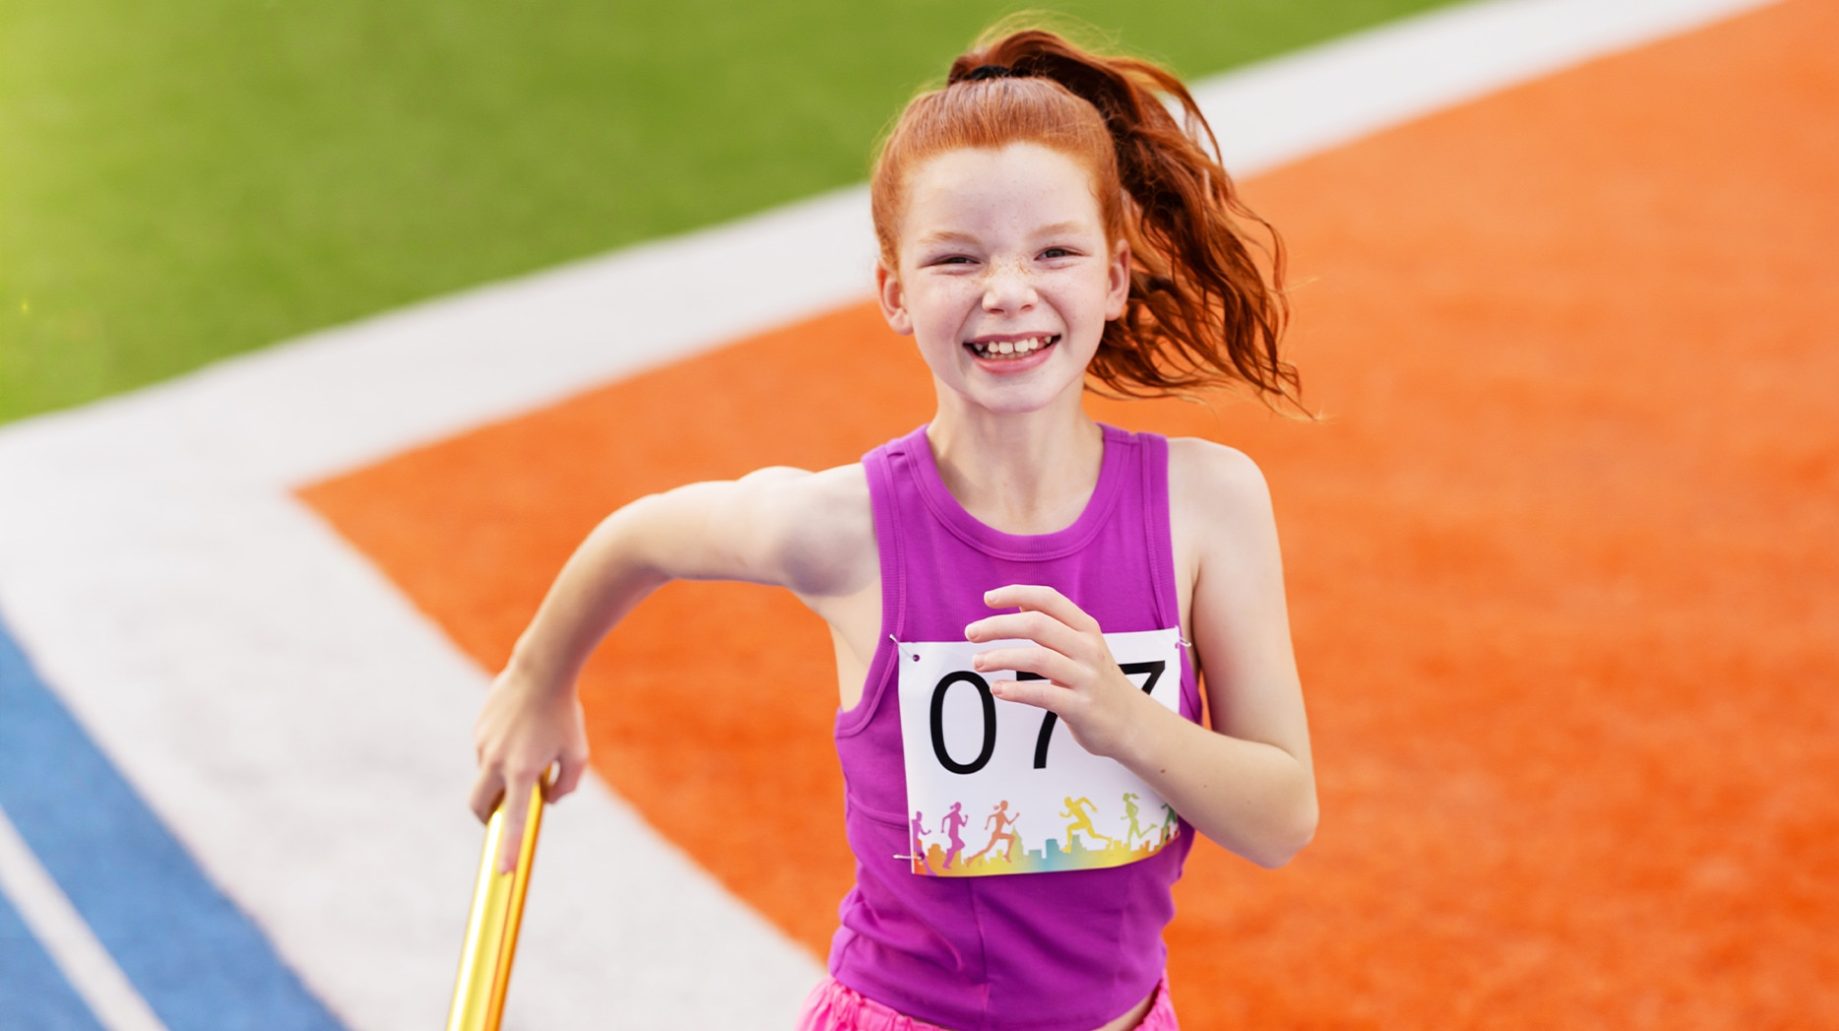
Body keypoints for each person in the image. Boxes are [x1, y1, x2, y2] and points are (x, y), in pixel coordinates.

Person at [466, 20, 1319, 1031]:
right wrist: (537, 681)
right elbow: (644, 533)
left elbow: (1281, 817)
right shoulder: (843, 528)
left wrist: (1122, 716)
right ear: (894, 292)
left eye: (1054, 251)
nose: (1009, 292)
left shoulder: (1207, 504)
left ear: (1114, 276)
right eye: (957, 258)